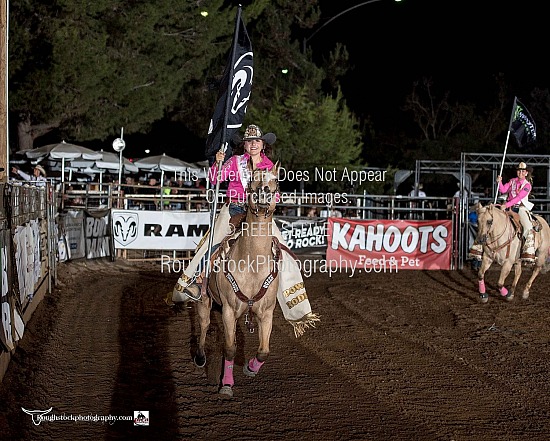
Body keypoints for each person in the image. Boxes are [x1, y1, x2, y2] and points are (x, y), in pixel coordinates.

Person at [171, 124, 275, 301]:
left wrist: (270, 202)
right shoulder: (235, 161)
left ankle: (287, 290)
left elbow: (275, 193)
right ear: (245, 145)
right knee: (215, 241)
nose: (253, 144)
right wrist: (217, 163)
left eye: (257, 141)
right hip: (234, 207)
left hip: (259, 212)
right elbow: (214, 179)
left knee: (281, 246)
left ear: (263, 144)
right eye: (249, 141)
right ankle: (199, 279)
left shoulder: (268, 166)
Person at [496, 161, 536, 263]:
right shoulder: (512, 181)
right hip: (508, 206)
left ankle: (528, 251)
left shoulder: (527, 186)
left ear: (526, 173)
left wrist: (506, 205)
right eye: (519, 171)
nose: (520, 173)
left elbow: (519, 198)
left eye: (523, 171)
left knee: (527, 226)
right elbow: (504, 190)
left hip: (520, 208)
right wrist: (499, 182)